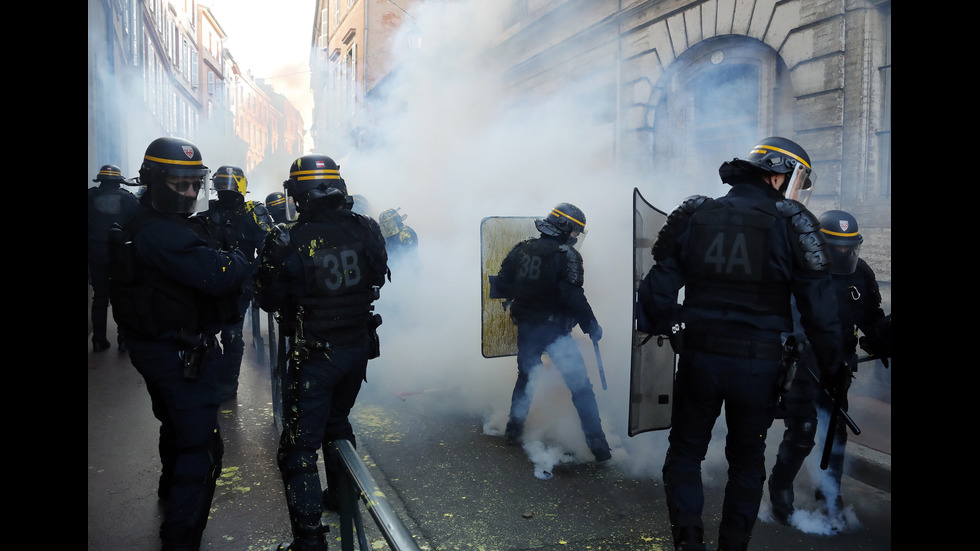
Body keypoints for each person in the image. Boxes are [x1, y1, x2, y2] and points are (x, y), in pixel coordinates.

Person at [636, 137, 845, 551]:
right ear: (776, 173)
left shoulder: (698, 213)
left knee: (685, 453)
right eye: (795, 179)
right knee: (747, 462)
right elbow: (820, 311)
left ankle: (689, 541)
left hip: (698, 359)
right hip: (759, 366)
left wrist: (675, 326)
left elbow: (655, 292)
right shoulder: (793, 222)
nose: (796, 189)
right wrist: (834, 367)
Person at [108, 136, 251, 551]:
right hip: (175, 351)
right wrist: (236, 257)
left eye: (195, 184)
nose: (190, 193)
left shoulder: (149, 222)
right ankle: (180, 537)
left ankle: (169, 494)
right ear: (153, 180)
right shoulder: (161, 232)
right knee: (201, 446)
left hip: (158, 344)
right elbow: (222, 273)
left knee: (174, 424)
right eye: (179, 184)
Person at [255, 154, 388, 551]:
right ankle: (339, 497)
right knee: (338, 422)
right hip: (358, 348)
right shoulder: (366, 228)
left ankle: (310, 541)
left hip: (315, 355)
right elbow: (378, 276)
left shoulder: (285, 238)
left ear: (297, 194)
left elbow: (267, 299)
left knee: (297, 450)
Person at [768, 209, 892, 526]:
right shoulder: (798, 270)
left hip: (838, 367)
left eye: (848, 247)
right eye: (835, 246)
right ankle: (781, 488)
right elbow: (778, 319)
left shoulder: (860, 274)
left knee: (836, 432)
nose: (842, 253)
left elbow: (871, 318)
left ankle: (830, 490)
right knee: (803, 431)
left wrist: (885, 335)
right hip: (801, 365)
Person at [495, 203, 611, 462]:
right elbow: (573, 296)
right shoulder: (567, 256)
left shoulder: (521, 249)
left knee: (525, 379)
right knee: (581, 387)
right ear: (565, 228)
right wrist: (591, 325)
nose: (576, 238)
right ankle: (599, 447)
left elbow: (501, 284)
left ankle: (512, 433)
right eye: (575, 232)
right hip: (556, 332)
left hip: (527, 328)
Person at [207, 165, 273, 401]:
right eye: (223, 184)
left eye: (231, 184)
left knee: (232, 336)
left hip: (237, 284)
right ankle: (212, 378)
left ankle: (228, 385)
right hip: (207, 281)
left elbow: (270, 247)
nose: (227, 190)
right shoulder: (207, 210)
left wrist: (250, 275)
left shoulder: (253, 211)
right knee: (203, 334)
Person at [88, 163, 139, 352]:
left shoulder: (89, 196)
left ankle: (99, 340)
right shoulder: (128, 199)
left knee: (100, 297)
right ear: (119, 181)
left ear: (100, 180)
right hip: (120, 257)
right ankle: (123, 339)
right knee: (122, 297)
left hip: (96, 255)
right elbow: (136, 227)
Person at [378, 207, 421, 275]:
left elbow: (409, 256)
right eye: (384, 226)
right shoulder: (389, 237)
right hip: (393, 271)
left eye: (387, 225)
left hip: (407, 272)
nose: (386, 228)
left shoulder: (406, 233)